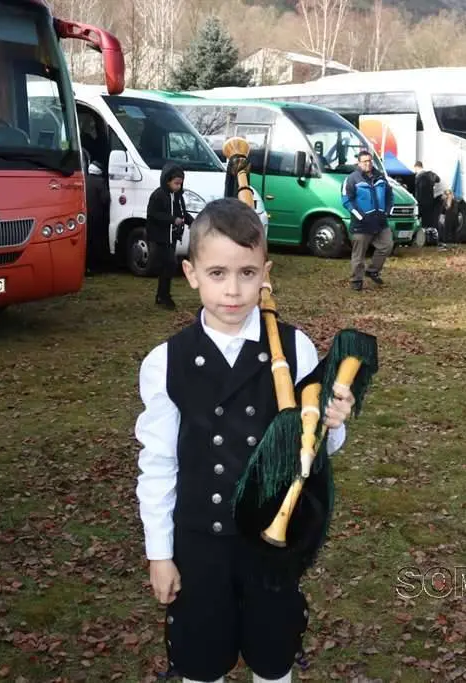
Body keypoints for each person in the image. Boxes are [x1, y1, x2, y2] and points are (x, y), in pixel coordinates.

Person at [135, 198, 355, 683]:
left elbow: (315, 452)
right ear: (191, 274)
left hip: (271, 545)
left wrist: (332, 422)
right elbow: (159, 464)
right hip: (199, 546)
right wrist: (159, 553)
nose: (233, 290)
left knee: (273, 661)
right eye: (217, 273)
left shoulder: (294, 349)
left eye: (247, 273)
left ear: (265, 275)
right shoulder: (165, 362)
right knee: (201, 663)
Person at [341, 150, 394, 291]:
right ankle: (356, 280)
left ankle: (372, 270)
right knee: (359, 254)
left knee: (387, 245)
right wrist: (361, 216)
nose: (368, 163)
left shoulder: (380, 177)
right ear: (358, 163)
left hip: (380, 222)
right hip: (361, 223)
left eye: (370, 161)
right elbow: (346, 200)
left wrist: (387, 212)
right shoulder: (352, 179)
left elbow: (390, 195)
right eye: (364, 161)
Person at [146, 163, 193, 310]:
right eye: (176, 183)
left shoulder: (178, 196)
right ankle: (164, 296)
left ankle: (162, 296)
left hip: (172, 237)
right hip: (160, 237)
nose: (178, 186)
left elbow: (182, 213)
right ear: (167, 181)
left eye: (180, 183)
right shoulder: (158, 195)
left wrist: (193, 222)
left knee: (168, 266)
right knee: (169, 264)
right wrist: (172, 219)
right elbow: (153, 214)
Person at [413, 161, 440, 233]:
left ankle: (422, 235)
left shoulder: (420, 176)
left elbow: (420, 191)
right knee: (428, 221)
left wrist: (417, 201)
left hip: (421, 202)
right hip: (430, 201)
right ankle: (429, 235)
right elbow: (438, 179)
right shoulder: (430, 174)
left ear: (416, 167)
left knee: (421, 221)